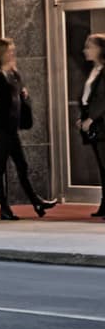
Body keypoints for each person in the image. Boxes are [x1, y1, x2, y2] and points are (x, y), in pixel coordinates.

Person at [0, 38, 58, 220]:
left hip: (11, 128)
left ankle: (36, 202)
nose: (12, 54)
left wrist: (21, 90)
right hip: (1, 128)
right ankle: (4, 207)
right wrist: (17, 89)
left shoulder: (13, 74)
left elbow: (18, 96)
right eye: (9, 51)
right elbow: (4, 99)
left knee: (22, 165)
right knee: (0, 167)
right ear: (0, 53)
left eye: (13, 51)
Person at [76, 33, 105, 217]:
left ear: (100, 49)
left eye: (89, 46)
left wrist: (91, 118)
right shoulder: (95, 70)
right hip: (94, 123)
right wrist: (83, 117)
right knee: (102, 166)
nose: (85, 50)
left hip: (101, 123)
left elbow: (103, 99)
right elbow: (89, 98)